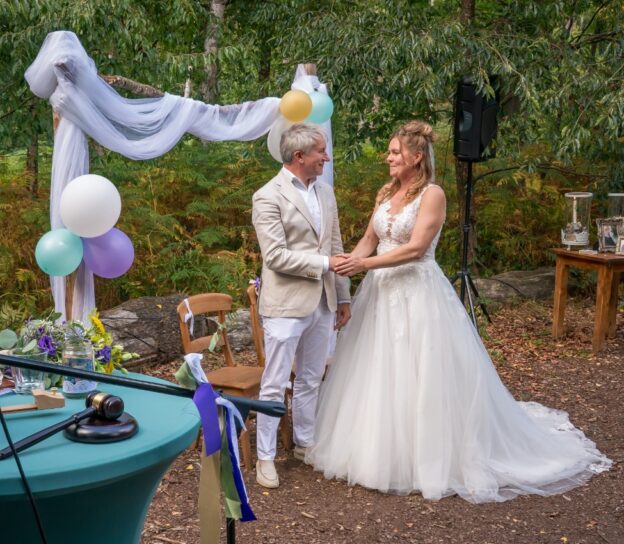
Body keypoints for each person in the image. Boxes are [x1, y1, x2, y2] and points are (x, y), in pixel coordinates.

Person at [308, 120, 610, 502]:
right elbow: (370, 239)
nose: (388, 158)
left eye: (395, 152)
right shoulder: (386, 193)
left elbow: (416, 248)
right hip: (380, 293)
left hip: (417, 292)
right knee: (378, 369)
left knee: (420, 372)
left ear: (417, 157)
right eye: (390, 152)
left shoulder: (432, 194)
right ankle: (378, 453)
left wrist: (364, 265)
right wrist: (344, 264)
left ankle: (427, 457)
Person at [250, 122, 351, 489]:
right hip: (285, 304)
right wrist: (325, 265)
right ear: (299, 156)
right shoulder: (267, 196)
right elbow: (275, 256)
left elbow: (335, 244)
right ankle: (265, 457)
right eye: (321, 151)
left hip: (324, 301)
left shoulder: (325, 192)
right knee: (275, 384)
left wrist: (343, 296)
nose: (327, 157)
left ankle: (304, 444)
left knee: (311, 377)